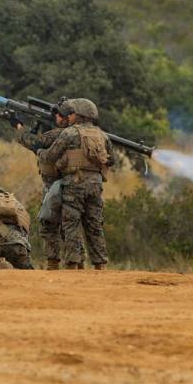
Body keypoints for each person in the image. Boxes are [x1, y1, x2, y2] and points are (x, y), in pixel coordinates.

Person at [38, 98, 113, 270]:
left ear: (78, 116)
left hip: (74, 184)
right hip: (95, 186)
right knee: (94, 224)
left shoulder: (69, 133)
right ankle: (100, 265)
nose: (68, 116)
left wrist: (40, 152)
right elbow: (112, 160)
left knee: (71, 223)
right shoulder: (102, 135)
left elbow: (50, 156)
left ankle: (72, 264)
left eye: (71, 114)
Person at [8, 100, 68, 270]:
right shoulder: (77, 132)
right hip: (71, 183)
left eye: (60, 114)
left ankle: (55, 264)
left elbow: (33, 143)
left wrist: (18, 125)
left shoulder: (61, 134)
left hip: (56, 184)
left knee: (51, 224)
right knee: (70, 227)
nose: (57, 117)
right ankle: (75, 264)